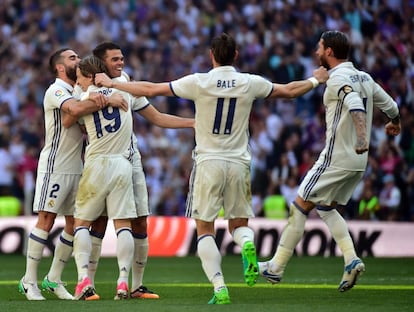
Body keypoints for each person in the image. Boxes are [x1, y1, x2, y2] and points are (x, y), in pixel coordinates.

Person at [95, 32, 329, 304]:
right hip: (239, 162)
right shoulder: (249, 82)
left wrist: (113, 84)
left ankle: (220, 288)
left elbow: (150, 89)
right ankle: (246, 243)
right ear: (236, 55)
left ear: (212, 56)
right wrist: (315, 80)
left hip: (208, 162)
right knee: (238, 224)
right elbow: (288, 91)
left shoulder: (199, 81)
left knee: (205, 229)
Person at [257, 30, 401, 292]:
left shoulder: (337, 79)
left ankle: (276, 266)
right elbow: (391, 106)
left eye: (319, 48)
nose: (316, 52)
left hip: (336, 157)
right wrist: (395, 122)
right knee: (324, 207)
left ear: (329, 52)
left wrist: (361, 137)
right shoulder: (365, 77)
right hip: (358, 163)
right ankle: (351, 259)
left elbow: (354, 103)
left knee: (300, 204)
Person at [87, 41, 194, 300]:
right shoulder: (86, 89)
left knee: (140, 221)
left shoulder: (125, 83)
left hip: (130, 159)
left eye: (121, 58)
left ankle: (135, 286)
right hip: (102, 160)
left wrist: (192, 122)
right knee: (99, 222)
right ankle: (87, 284)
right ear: (101, 63)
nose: (121, 62)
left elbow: (156, 117)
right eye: (115, 59)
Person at [18, 48, 125, 301]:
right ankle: (28, 281)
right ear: (59, 67)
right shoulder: (55, 90)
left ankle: (53, 279)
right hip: (54, 164)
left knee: (74, 224)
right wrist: (107, 99)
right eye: (72, 58)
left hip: (77, 167)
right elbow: (74, 110)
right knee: (46, 219)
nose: (78, 60)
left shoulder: (78, 90)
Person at [71, 55, 137, 300]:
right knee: (123, 225)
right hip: (122, 163)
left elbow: (74, 114)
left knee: (81, 223)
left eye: (79, 77)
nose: (77, 82)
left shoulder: (83, 98)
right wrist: (110, 92)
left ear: (89, 76)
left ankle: (84, 281)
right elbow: (118, 90)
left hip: (96, 162)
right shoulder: (124, 92)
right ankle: (122, 283)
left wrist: (92, 92)